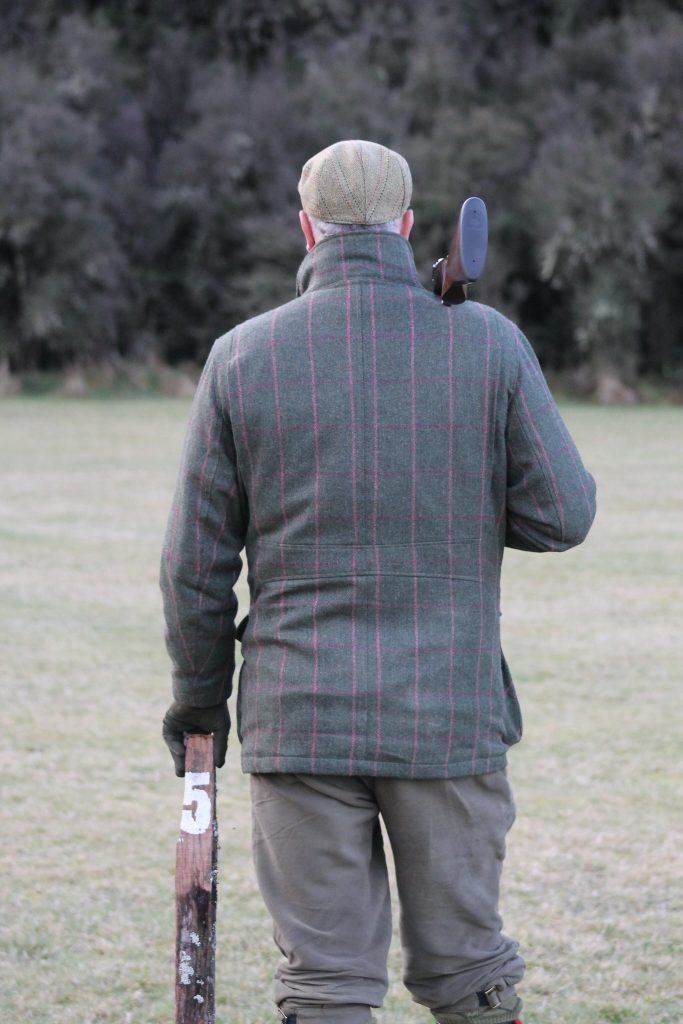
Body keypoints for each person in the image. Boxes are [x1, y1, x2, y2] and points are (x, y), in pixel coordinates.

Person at [160, 139, 597, 1024]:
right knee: (471, 975)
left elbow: (193, 573)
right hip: (447, 718)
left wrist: (201, 708)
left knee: (324, 987)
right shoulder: (486, 343)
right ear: (404, 227)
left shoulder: (240, 357)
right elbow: (562, 514)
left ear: (304, 229)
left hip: (298, 719)